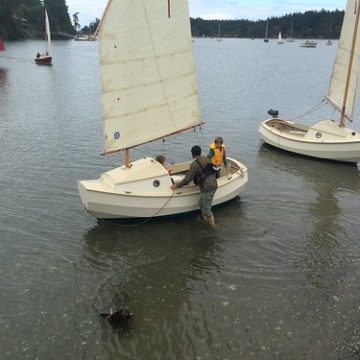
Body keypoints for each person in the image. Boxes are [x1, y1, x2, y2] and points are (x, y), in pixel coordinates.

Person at [170, 145, 217, 228]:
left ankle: (213, 228)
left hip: (208, 187)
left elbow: (187, 179)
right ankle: (205, 221)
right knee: (201, 203)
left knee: (206, 209)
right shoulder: (207, 159)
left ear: (192, 155)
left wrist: (177, 185)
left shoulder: (194, 165)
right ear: (200, 152)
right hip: (213, 183)